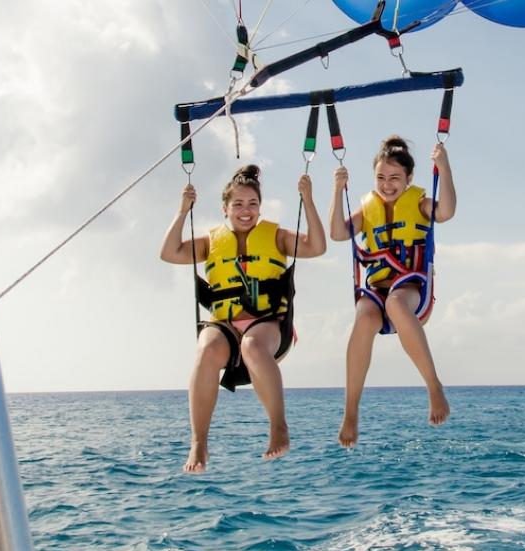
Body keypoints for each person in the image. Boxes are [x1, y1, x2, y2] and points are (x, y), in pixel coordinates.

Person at [161, 164, 326, 472]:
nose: (245, 210)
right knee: (206, 348)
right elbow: (169, 252)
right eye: (238, 204)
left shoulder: (275, 236)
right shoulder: (211, 242)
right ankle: (199, 442)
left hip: (268, 325)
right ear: (225, 209)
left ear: (260, 208)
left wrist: (309, 199)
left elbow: (317, 247)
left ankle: (278, 425)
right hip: (225, 326)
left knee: (251, 345)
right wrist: (183, 211)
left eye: (252, 204)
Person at [328, 136, 455, 448]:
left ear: (409, 178)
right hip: (375, 289)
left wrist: (444, 167)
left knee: (397, 304)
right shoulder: (367, 209)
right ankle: (351, 411)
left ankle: (433, 386)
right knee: (363, 321)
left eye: (395, 178)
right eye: (381, 178)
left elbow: (447, 212)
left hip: (411, 287)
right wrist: (336, 190)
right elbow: (336, 233)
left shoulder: (420, 203)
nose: (387, 184)